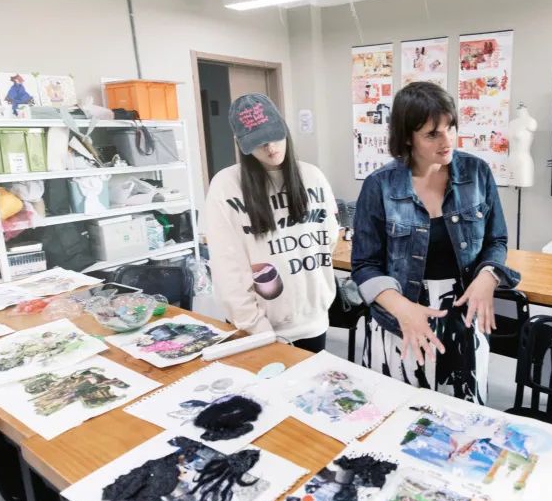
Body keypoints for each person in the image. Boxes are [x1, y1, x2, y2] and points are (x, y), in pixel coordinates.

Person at [351, 81, 519, 403]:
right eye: (432, 134)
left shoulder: (477, 173)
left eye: (450, 127)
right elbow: (364, 265)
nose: (447, 141)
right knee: (398, 412)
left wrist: (488, 276)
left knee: (462, 417)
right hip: (401, 317)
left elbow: (496, 239)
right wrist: (403, 309)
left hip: (463, 315)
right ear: (407, 138)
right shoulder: (380, 185)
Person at [204, 93, 338, 353]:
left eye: (274, 136)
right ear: (241, 144)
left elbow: (327, 241)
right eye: (258, 142)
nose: (270, 147)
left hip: (312, 322)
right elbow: (227, 268)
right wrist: (258, 328)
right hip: (257, 329)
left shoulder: (313, 177)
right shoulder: (226, 186)